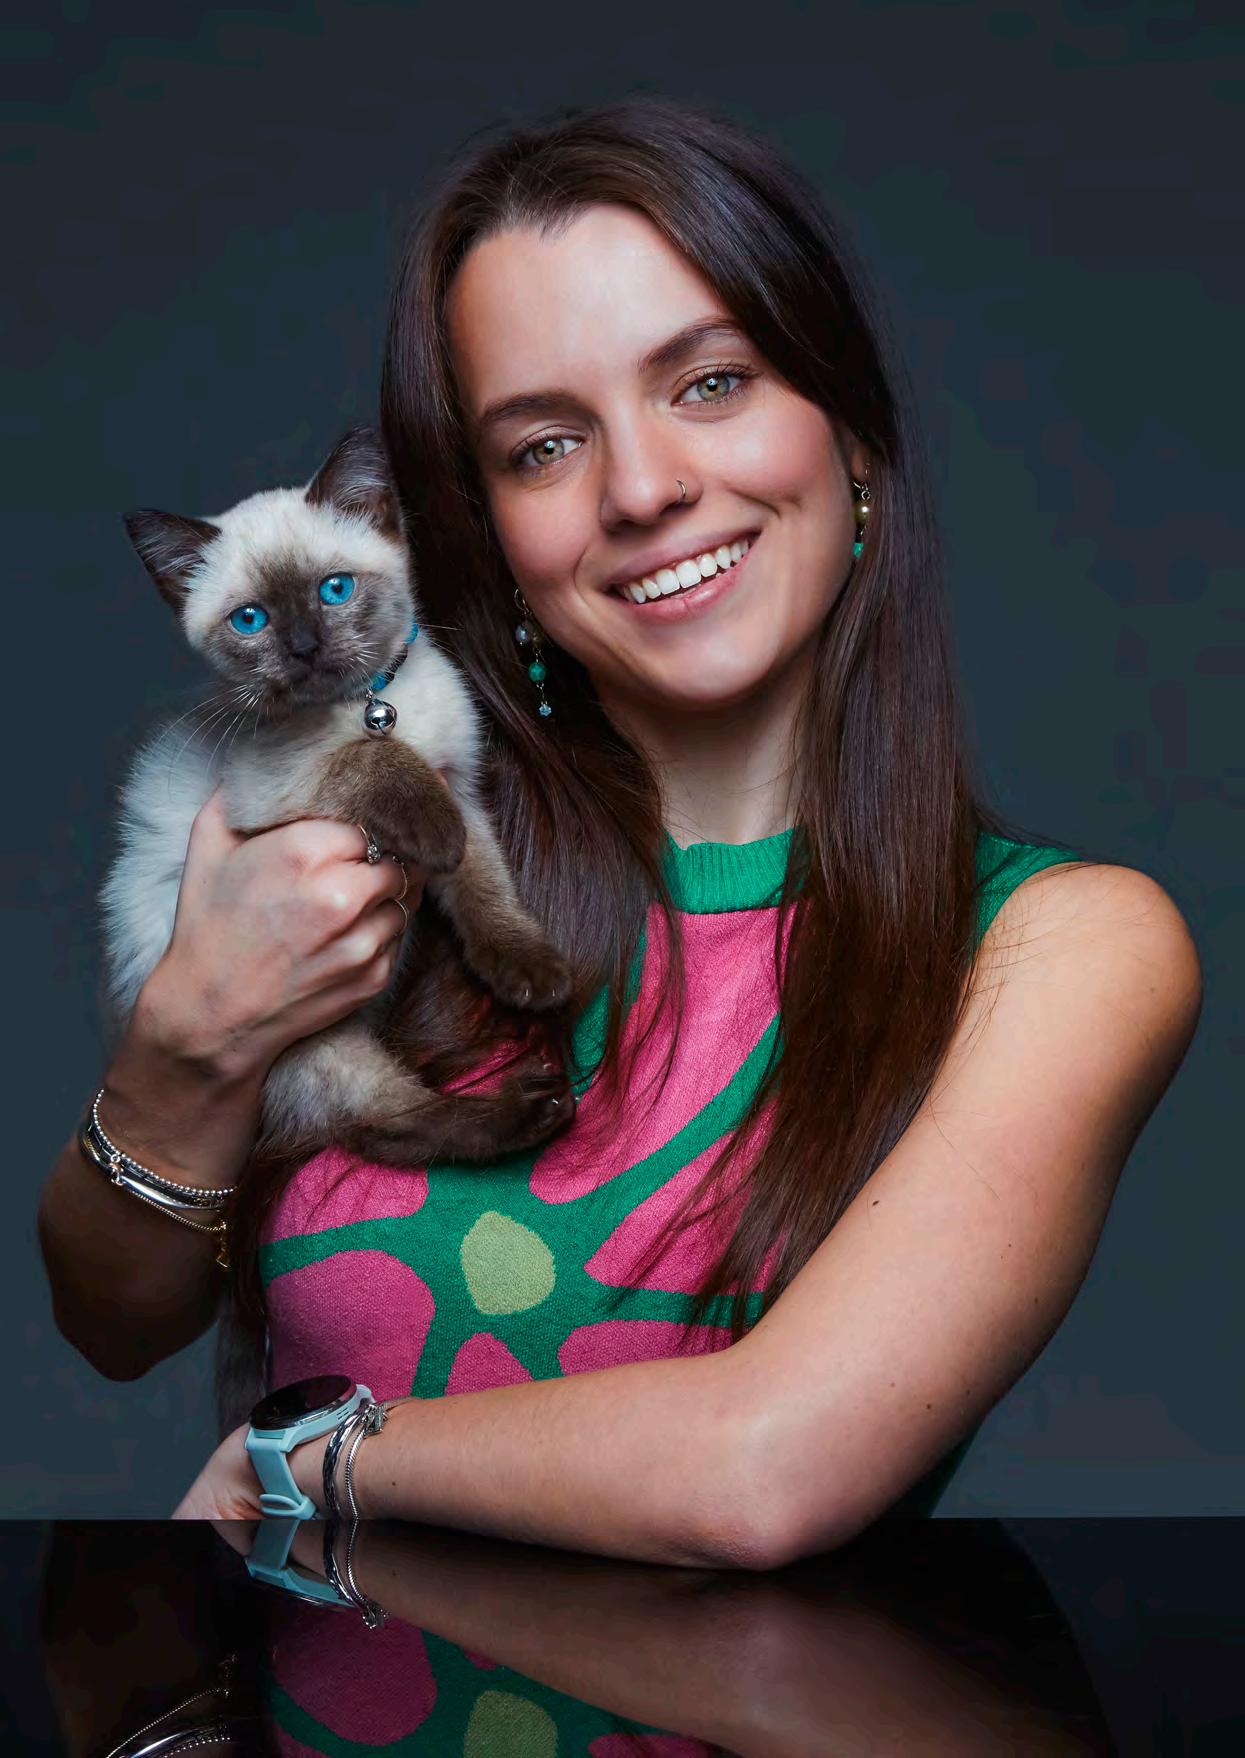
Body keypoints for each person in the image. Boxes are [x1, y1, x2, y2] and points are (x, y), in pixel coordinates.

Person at [39, 96, 1201, 1561]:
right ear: (489, 535)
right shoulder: (386, 853)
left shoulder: (1061, 949)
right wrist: (188, 1043)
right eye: (543, 446)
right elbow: (116, 1321)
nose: (644, 489)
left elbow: (770, 1469)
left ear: (849, 432)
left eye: (709, 383)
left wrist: (319, 1457)